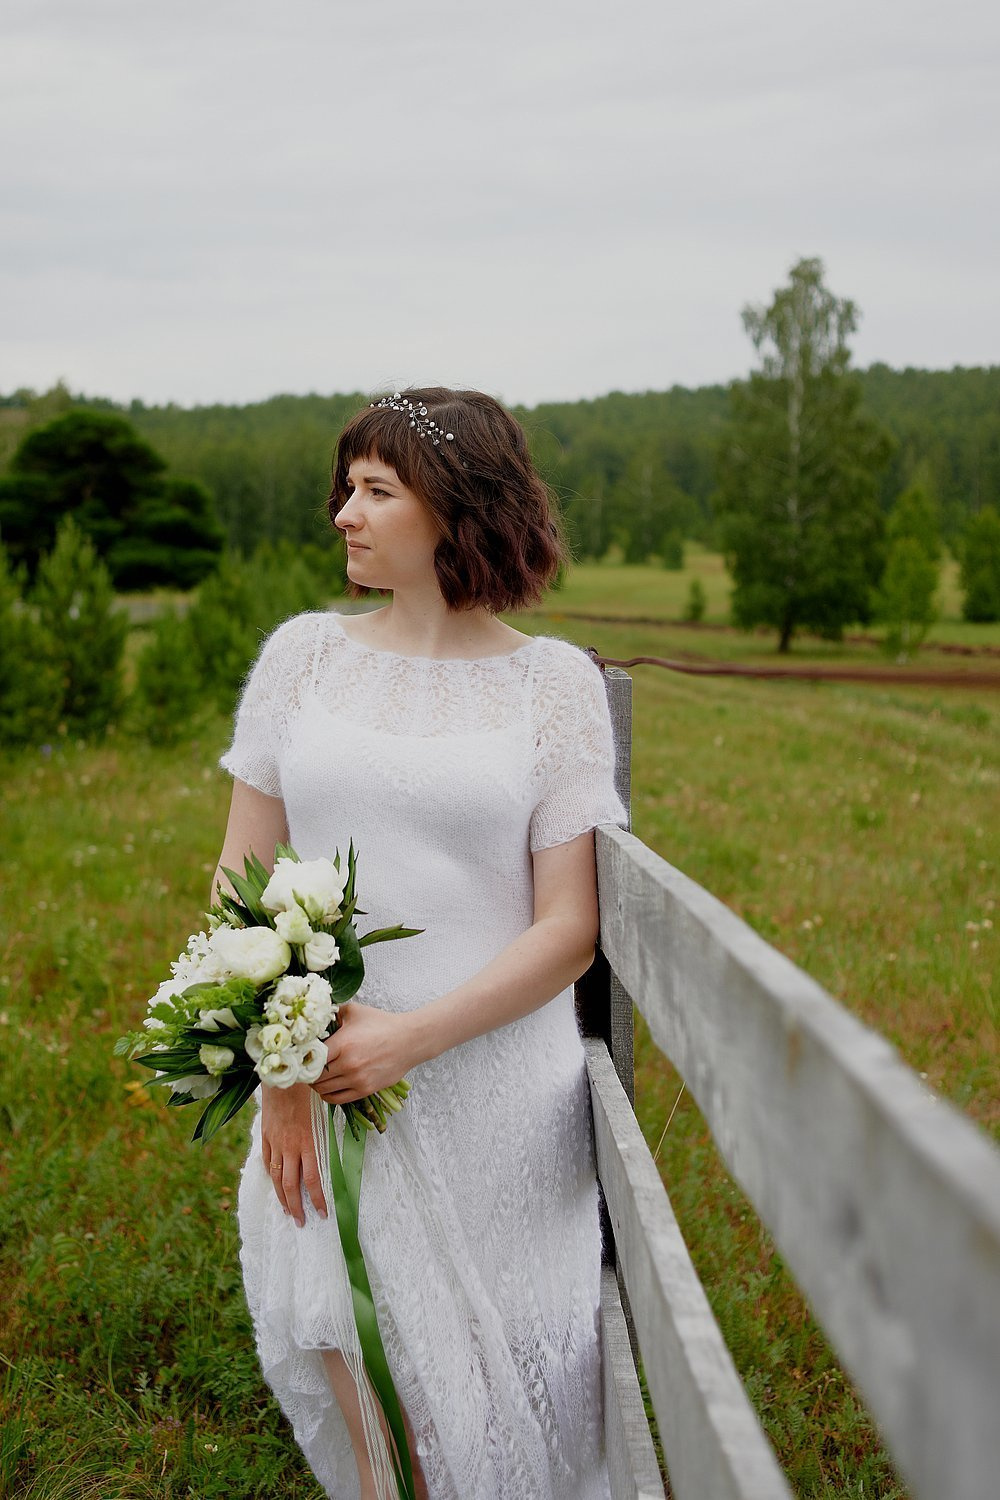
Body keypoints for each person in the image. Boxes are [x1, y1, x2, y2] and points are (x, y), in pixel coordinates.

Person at [212, 387, 627, 1500]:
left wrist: (411, 1038)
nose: (343, 513)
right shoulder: (301, 658)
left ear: (455, 507)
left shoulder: (554, 685)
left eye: (376, 491)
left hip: (499, 1101)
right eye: (344, 488)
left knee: (506, 1418)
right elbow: (239, 881)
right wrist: (282, 1072)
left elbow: (569, 927)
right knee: (386, 1433)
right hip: (323, 1089)